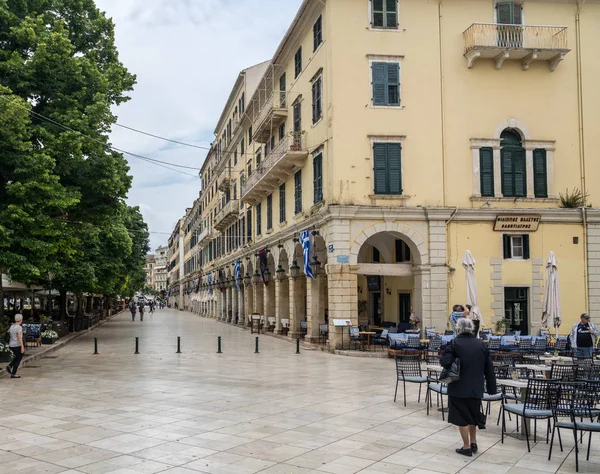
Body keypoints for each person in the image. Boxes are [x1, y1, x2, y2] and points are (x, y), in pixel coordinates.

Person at [440, 318, 496, 457]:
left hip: (458, 386)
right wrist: (491, 388)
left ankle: (466, 446)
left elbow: (445, 362)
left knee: (461, 417)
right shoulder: (481, 345)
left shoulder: (454, 343)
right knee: (472, 415)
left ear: (458, 329)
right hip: (476, 387)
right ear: (471, 329)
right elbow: (489, 369)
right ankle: (473, 442)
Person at [6, 314, 25, 378]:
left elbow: (8, 332)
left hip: (11, 344)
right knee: (18, 358)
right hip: (17, 345)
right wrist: (22, 346)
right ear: (21, 320)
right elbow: (19, 337)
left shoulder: (12, 326)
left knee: (16, 357)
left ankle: (10, 366)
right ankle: (13, 373)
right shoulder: (19, 327)